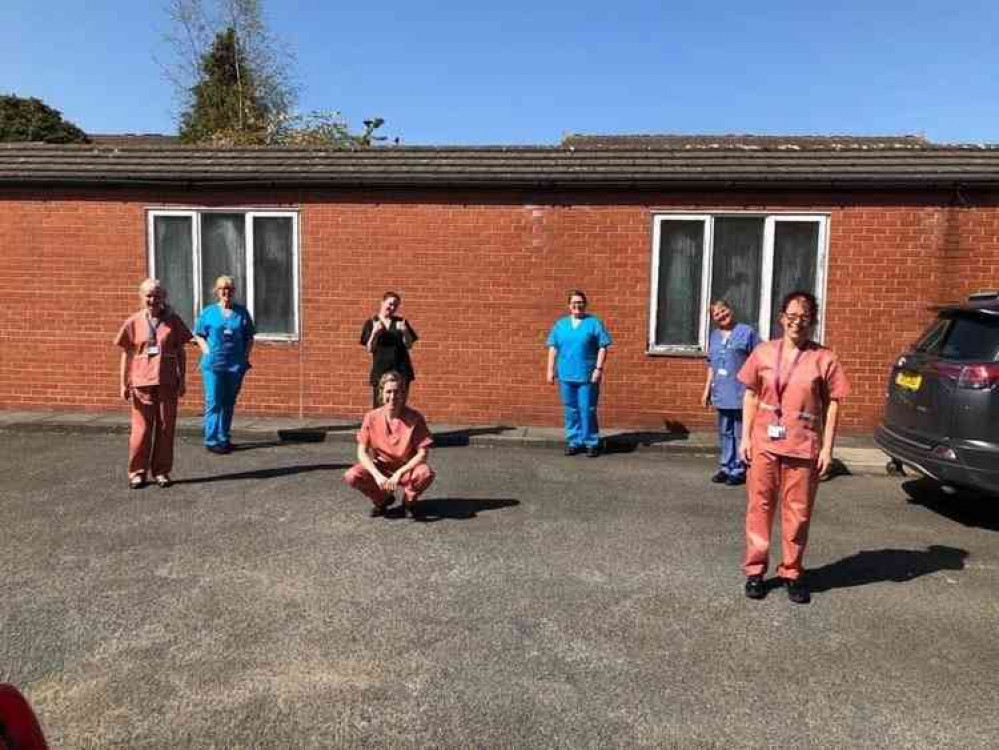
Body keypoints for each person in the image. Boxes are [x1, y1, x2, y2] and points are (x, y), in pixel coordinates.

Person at [737, 291, 850, 604]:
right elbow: (750, 395)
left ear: (812, 321)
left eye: (804, 317)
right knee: (759, 507)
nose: (797, 322)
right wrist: (745, 438)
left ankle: (792, 571)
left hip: (803, 448)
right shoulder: (762, 352)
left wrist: (827, 448)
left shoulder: (824, 358)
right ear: (781, 317)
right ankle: (755, 572)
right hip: (764, 445)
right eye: (791, 315)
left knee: (797, 514)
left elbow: (833, 405)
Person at [114, 278, 192, 489]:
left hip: (167, 382)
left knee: (166, 428)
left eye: (157, 295)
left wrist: (182, 379)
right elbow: (127, 354)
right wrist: (123, 383)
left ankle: (162, 471)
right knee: (141, 430)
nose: (152, 299)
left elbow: (181, 352)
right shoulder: (133, 322)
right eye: (148, 295)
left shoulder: (173, 321)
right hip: (141, 383)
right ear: (142, 297)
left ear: (163, 298)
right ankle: (137, 472)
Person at [344, 371, 435, 519]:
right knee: (352, 475)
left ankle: (409, 501)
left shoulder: (415, 418)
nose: (393, 396)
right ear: (381, 393)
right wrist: (377, 475)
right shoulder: (371, 417)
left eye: (397, 392)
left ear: (404, 394)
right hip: (382, 469)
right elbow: (362, 452)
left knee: (425, 473)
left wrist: (399, 473)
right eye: (389, 391)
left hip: (407, 469)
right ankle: (382, 499)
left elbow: (423, 454)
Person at [546, 290, 613, 457]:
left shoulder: (594, 323)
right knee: (571, 409)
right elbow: (553, 348)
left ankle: (591, 442)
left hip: (587, 375)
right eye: (574, 303)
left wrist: (598, 369)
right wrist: (549, 370)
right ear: (569, 306)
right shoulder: (560, 325)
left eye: (580, 303)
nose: (577, 306)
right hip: (565, 374)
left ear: (585, 304)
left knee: (587, 409)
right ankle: (574, 441)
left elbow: (603, 347)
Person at [193, 276, 255, 454]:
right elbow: (199, 334)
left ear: (233, 291)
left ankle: (223, 437)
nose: (225, 292)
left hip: (235, 365)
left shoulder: (242, 313)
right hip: (214, 364)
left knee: (229, 402)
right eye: (222, 289)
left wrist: (244, 356)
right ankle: (211, 439)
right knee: (214, 401)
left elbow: (249, 337)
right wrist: (206, 350)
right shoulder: (209, 312)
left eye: (229, 288)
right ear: (216, 291)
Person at [701, 300, 759, 486]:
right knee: (725, 431)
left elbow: (759, 358)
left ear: (731, 310)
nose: (721, 315)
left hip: (741, 391)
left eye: (723, 311)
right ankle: (726, 467)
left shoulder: (747, 332)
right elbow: (711, 364)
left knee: (740, 432)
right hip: (721, 391)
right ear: (713, 319)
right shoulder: (715, 336)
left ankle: (740, 468)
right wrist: (707, 389)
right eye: (716, 314)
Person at [360, 292, 418, 407]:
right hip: (381, 370)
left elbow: (409, 345)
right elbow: (370, 348)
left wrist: (405, 332)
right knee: (379, 405)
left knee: (399, 405)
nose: (392, 308)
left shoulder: (401, 322)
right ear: (382, 303)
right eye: (390, 304)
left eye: (395, 306)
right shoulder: (371, 323)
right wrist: (375, 333)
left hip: (401, 370)